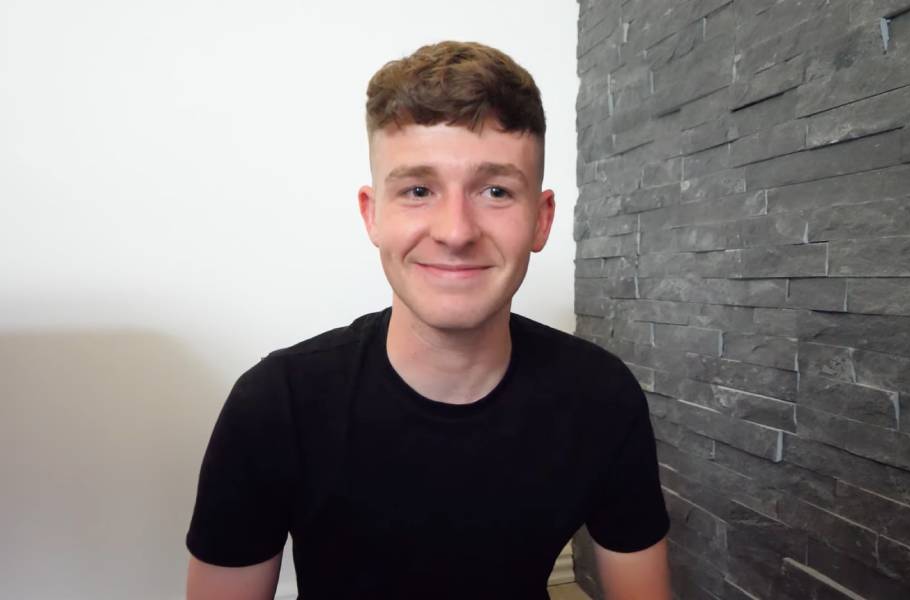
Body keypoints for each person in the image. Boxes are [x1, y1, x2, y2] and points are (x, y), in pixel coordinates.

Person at [185, 40, 671, 600]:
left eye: (496, 190)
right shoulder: (276, 404)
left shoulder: (602, 398)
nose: (456, 231)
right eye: (418, 190)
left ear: (541, 220)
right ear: (373, 215)